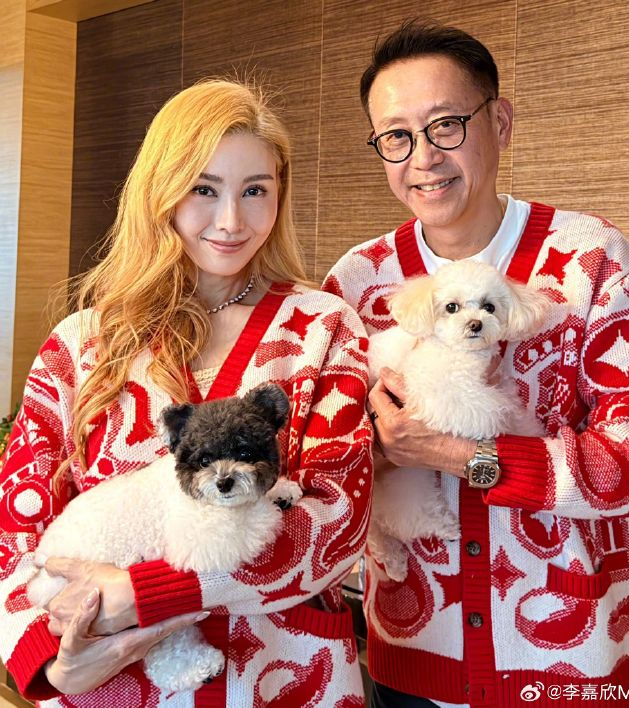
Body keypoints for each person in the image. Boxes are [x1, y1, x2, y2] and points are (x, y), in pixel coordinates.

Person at [324, 20, 629, 708]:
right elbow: (326, 464)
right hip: (413, 664)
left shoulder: (591, 260)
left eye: (446, 125)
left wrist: (469, 456)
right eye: (396, 136)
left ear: (499, 122)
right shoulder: (357, 281)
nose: (423, 158)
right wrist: (377, 448)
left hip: (580, 664)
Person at [0, 79, 373, 706]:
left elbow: (338, 520)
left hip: (283, 678)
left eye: (255, 190)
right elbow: (15, 528)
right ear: (162, 191)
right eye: (204, 189)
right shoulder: (84, 343)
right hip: (111, 686)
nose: (231, 221)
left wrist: (150, 592)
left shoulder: (323, 328)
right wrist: (51, 663)